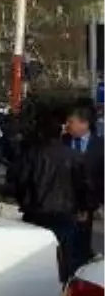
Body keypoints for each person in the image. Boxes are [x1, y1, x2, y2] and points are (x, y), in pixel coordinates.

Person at [13, 110, 87, 284]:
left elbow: (20, 182)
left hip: (36, 212)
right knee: (64, 255)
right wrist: (83, 208)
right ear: (60, 132)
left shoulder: (32, 155)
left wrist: (24, 202)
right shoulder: (74, 156)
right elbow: (82, 185)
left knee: (35, 256)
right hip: (65, 212)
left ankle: (36, 288)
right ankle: (61, 289)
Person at [63, 104, 105, 270]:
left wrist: (98, 204)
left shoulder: (101, 146)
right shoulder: (62, 142)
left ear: (84, 123)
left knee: (81, 247)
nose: (67, 125)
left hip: (89, 207)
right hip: (63, 205)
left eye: (71, 121)